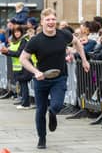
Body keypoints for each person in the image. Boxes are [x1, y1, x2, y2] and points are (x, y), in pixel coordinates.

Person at [19, 8, 90, 149]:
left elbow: (77, 43)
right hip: (41, 80)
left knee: (56, 105)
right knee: (40, 110)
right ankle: (42, 139)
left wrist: (84, 60)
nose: (51, 22)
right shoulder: (35, 40)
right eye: (48, 20)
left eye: (53, 19)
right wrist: (35, 71)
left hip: (59, 77)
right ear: (42, 22)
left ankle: (53, 113)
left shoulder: (64, 35)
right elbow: (23, 58)